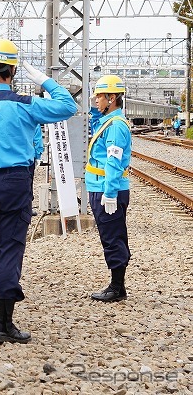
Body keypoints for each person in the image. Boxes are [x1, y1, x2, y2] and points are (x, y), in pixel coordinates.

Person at [0, 39, 78, 344]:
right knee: (10, 250)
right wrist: (44, 79)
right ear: (12, 70)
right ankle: (5, 325)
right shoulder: (25, 104)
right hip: (14, 183)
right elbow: (68, 105)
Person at [86, 74, 132, 303]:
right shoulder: (108, 122)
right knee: (112, 235)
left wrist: (110, 193)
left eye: (99, 97)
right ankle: (117, 284)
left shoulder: (115, 127)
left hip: (107, 190)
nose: (95, 100)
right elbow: (95, 121)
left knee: (112, 237)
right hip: (101, 188)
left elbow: (113, 162)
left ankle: (117, 287)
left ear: (111, 98)